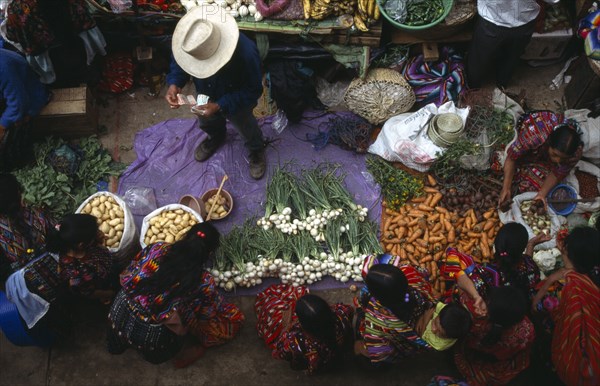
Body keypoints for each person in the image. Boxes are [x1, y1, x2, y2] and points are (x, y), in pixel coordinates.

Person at [107, 222, 244, 367]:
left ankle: (115, 346)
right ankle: (184, 350)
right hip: (151, 337)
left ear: (185, 236)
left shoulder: (157, 248)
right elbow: (206, 317)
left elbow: (133, 267)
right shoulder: (204, 281)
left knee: (177, 300)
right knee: (231, 317)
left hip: (118, 311)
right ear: (209, 254)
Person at [165, 5, 266, 180]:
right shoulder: (191, 40)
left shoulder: (246, 53)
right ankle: (216, 136)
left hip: (236, 96)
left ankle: (256, 150)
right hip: (206, 89)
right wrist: (175, 83)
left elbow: (253, 90)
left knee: (245, 124)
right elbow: (180, 62)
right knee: (206, 118)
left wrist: (220, 105)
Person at [354, 255, 471, 365]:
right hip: (415, 333)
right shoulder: (410, 273)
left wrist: (360, 347)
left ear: (378, 297)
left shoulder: (378, 317)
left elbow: (381, 352)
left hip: (405, 344)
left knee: (361, 337)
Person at [255, 284, 353, 374]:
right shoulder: (341, 314)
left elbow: (279, 353)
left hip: (317, 364)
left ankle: (309, 370)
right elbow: (350, 310)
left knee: (272, 312)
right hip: (337, 351)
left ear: (302, 323)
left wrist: (285, 327)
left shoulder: (294, 341)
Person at [441, 222, 547, 305]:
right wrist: (531, 245)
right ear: (521, 250)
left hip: (491, 315)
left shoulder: (486, 272)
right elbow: (527, 260)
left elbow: (461, 281)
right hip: (516, 310)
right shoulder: (530, 266)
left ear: (496, 245)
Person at [547, 226, 600, 385]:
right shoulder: (594, 272)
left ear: (567, 252)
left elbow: (542, 307)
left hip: (575, 346)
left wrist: (549, 282)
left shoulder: (562, 285)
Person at [466, 0, 560, 89]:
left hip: (491, 18)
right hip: (523, 21)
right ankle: (502, 83)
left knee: (479, 57)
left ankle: (473, 86)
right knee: (512, 57)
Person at [453, 286, 536, 386]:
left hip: (477, 352)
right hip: (501, 360)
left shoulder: (477, 322)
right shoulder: (528, 329)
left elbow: (461, 288)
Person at [499, 119, 583, 209]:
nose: (558, 161)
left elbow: (557, 173)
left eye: (563, 158)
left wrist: (541, 195)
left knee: (538, 185)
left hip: (542, 153)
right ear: (549, 142)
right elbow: (511, 158)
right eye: (555, 154)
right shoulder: (534, 136)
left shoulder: (574, 154)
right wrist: (506, 188)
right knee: (500, 163)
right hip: (533, 141)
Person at [46, 214, 115, 302]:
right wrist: (111, 293)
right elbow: (88, 293)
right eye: (94, 234)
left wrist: (99, 239)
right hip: (103, 286)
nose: (98, 232)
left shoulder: (74, 243)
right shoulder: (76, 272)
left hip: (107, 267)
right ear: (81, 245)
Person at [0, 173, 54, 284]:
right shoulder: (37, 214)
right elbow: (57, 235)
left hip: (30, 289)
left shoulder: (3, 235)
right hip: (57, 271)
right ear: (19, 194)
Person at [0, 48, 49, 170]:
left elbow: (18, 104)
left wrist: (2, 126)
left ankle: (22, 164)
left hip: (29, 99)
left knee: (10, 143)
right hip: (10, 96)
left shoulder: (3, 67)